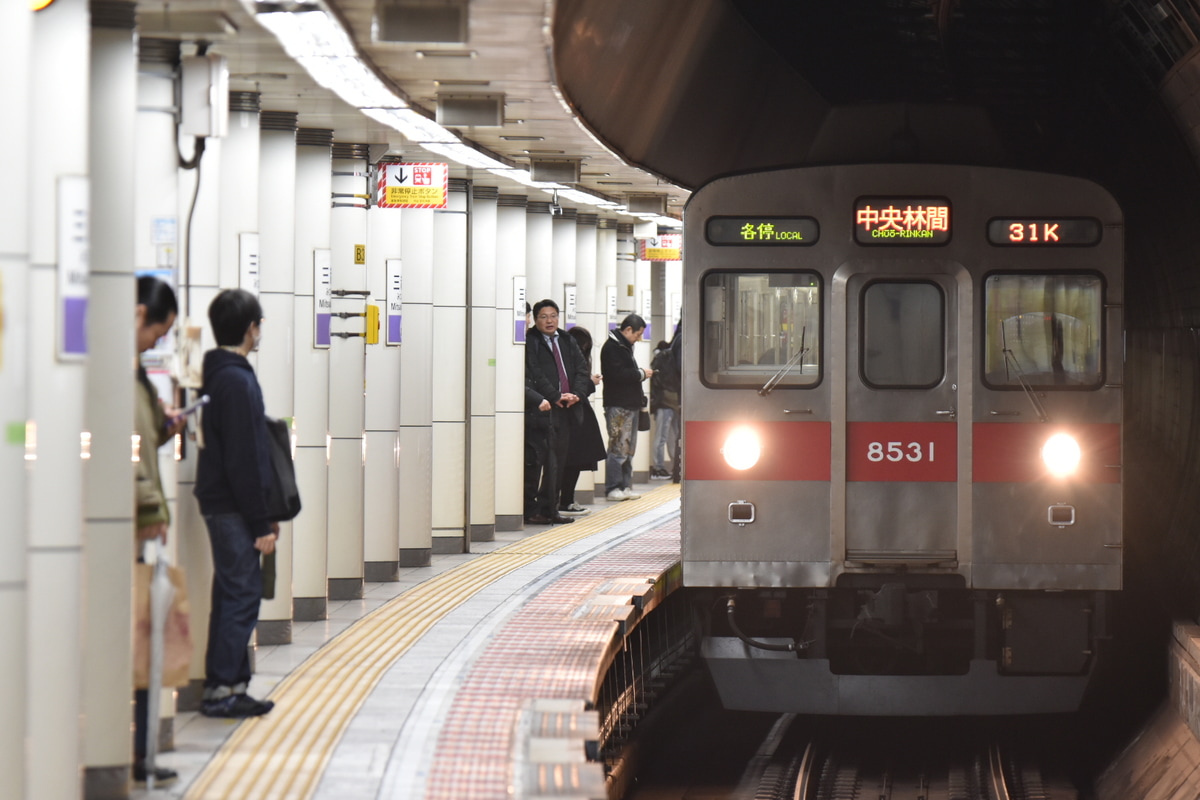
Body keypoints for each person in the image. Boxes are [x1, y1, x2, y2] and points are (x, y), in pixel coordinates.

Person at [194, 288, 278, 718]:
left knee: (231, 592)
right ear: (250, 328)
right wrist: (262, 522)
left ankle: (225, 683)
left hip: (222, 501)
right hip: (231, 505)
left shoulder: (218, 372)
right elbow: (245, 457)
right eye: (259, 324)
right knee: (243, 592)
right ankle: (224, 687)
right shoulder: (236, 379)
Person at [133, 276, 184, 786]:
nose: (157, 344)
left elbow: (142, 443)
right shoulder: (115, 375)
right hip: (127, 529)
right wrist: (153, 508)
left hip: (141, 526)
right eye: (157, 332)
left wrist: (168, 424)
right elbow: (125, 457)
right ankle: (134, 754)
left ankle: (141, 754)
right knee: (137, 641)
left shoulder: (136, 379)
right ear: (138, 313)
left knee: (144, 643)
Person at [524, 299, 591, 525]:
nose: (549, 321)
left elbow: (582, 369)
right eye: (544, 316)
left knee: (558, 461)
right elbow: (535, 372)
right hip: (542, 409)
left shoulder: (566, 339)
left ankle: (551, 508)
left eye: (553, 315)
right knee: (539, 462)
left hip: (567, 408)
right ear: (535, 319)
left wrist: (578, 394)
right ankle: (535, 509)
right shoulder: (530, 341)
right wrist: (555, 396)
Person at [601, 314, 653, 501]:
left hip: (630, 404)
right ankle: (613, 487)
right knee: (618, 447)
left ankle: (624, 485)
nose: (638, 338)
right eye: (638, 334)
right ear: (628, 329)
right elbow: (618, 375)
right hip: (618, 405)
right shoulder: (612, 348)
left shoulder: (624, 347)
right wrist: (640, 374)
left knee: (629, 448)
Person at [558, 326, 606, 515]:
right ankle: (566, 501)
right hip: (574, 417)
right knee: (573, 461)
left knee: (572, 461)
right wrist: (590, 383)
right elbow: (575, 389)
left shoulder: (566, 358)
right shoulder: (572, 363)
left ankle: (565, 501)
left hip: (577, 416)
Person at [648, 338, 679, 479]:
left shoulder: (660, 359)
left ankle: (666, 467)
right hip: (669, 402)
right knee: (670, 436)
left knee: (666, 436)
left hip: (665, 402)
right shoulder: (668, 358)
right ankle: (662, 467)